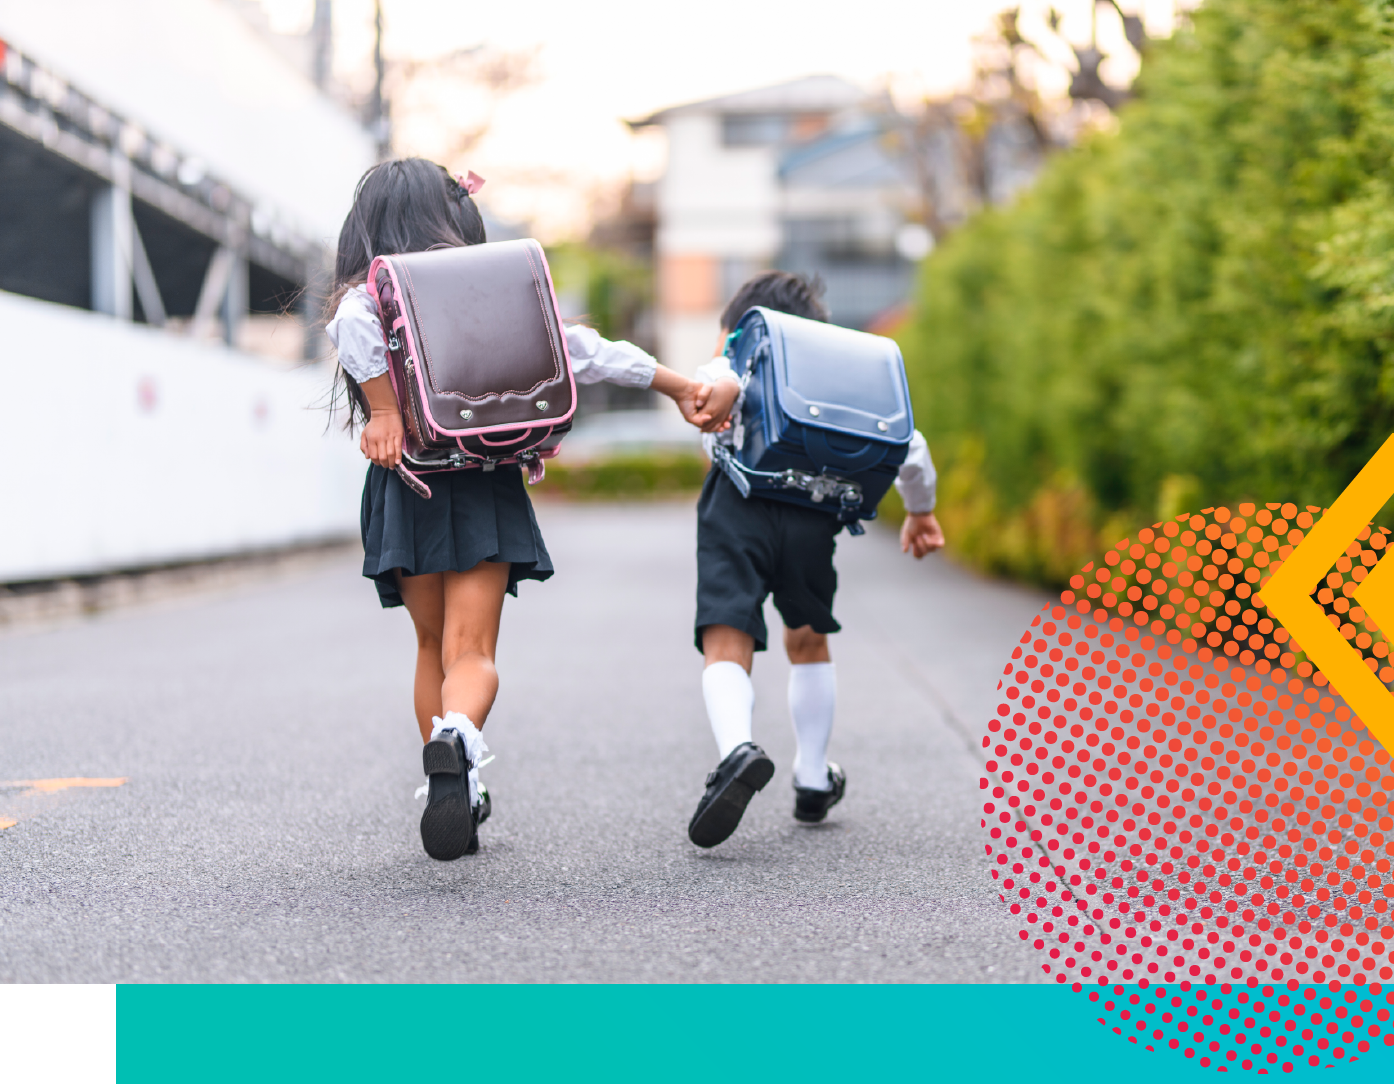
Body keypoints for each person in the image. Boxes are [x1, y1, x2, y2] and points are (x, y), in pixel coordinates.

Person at [324, 157, 723, 861]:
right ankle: (460, 743)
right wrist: (676, 385)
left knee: (427, 646)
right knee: (471, 652)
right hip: (485, 483)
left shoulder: (370, 294)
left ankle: (450, 778)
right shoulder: (496, 291)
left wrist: (382, 411)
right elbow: (584, 352)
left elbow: (350, 327)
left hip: (407, 487)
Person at [683, 271, 947, 848]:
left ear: (742, 329)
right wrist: (921, 511)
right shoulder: (842, 380)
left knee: (727, 632)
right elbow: (910, 447)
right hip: (813, 510)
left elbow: (702, 401)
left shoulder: (733, 357)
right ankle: (811, 775)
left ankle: (736, 752)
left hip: (738, 504)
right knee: (808, 638)